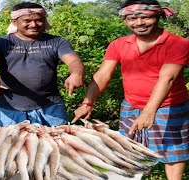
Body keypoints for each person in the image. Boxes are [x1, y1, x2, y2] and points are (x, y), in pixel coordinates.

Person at [72, 0, 189, 179]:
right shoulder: (119, 44)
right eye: (132, 18)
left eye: (145, 17)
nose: (139, 23)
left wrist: (149, 111)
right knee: (130, 150)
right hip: (131, 106)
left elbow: (168, 77)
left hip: (169, 106)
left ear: (158, 16)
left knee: (173, 153)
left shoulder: (177, 44)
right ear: (124, 20)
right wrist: (87, 103)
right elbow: (103, 74)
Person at [0, 2, 85, 127]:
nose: (33, 25)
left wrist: (77, 73)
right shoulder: (1, 42)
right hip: (9, 109)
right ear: (14, 22)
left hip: (50, 108)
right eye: (27, 21)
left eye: (39, 20)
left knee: (55, 144)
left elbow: (73, 61)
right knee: (8, 145)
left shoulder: (57, 42)